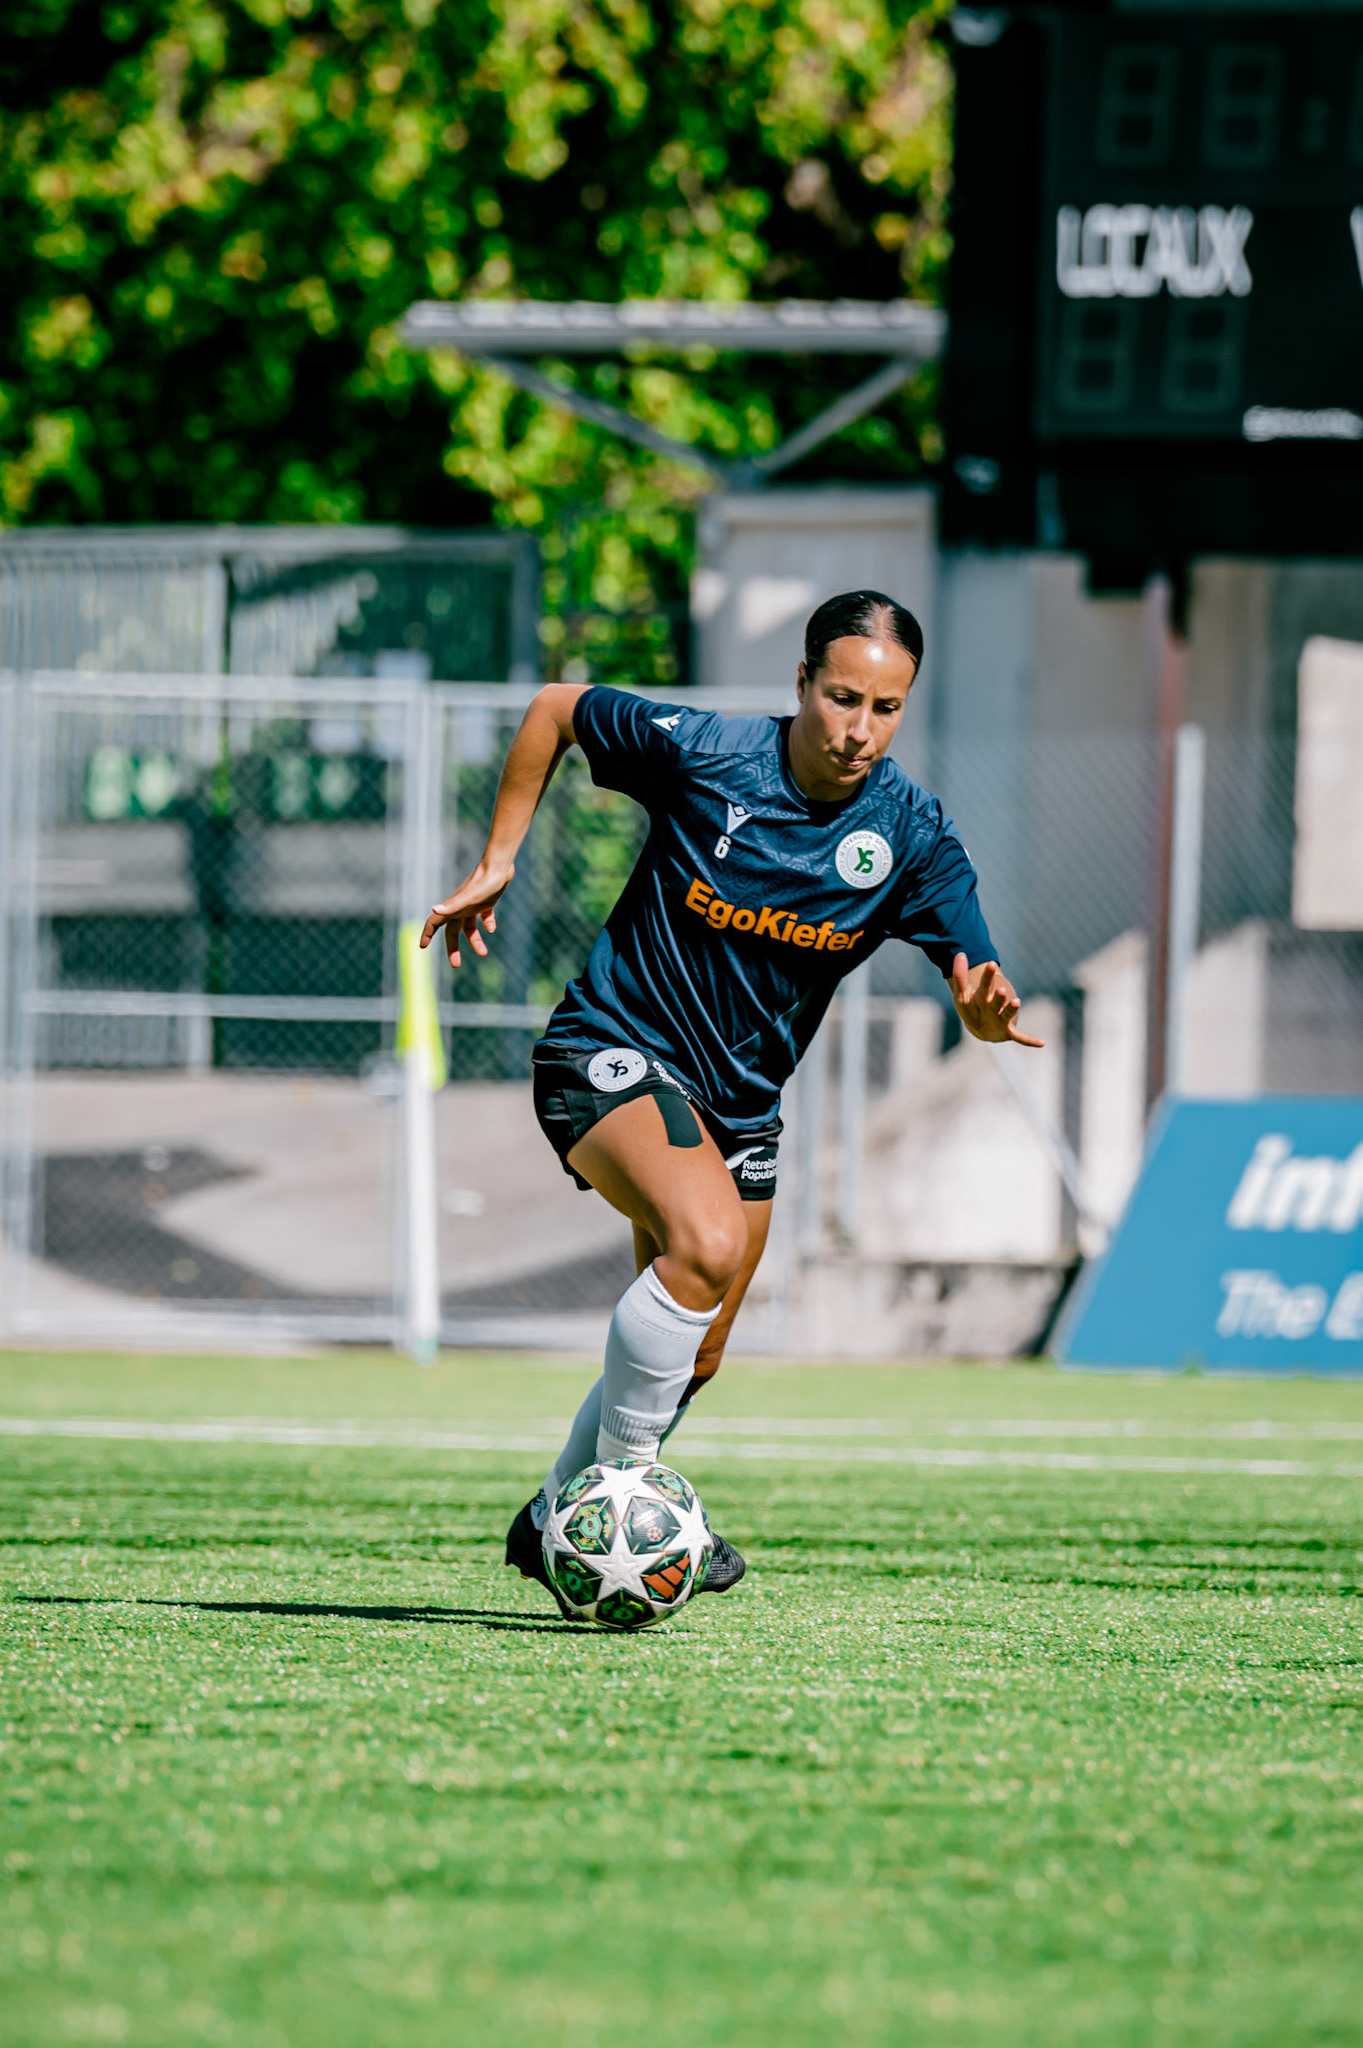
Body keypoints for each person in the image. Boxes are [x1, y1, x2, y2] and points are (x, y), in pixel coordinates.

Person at [421, 589, 1042, 1607]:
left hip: (741, 1110)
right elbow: (553, 710)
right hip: (608, 1052)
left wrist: (981, 1006)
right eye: (843, 697)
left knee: (696, 1354)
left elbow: (978, 971)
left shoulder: (912, 837)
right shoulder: (709, 753)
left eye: (885, 708)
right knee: (705, 1243)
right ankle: (630, 1498)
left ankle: (550, 1520)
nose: (859, 728)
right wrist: (499, 858)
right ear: (802, 683)